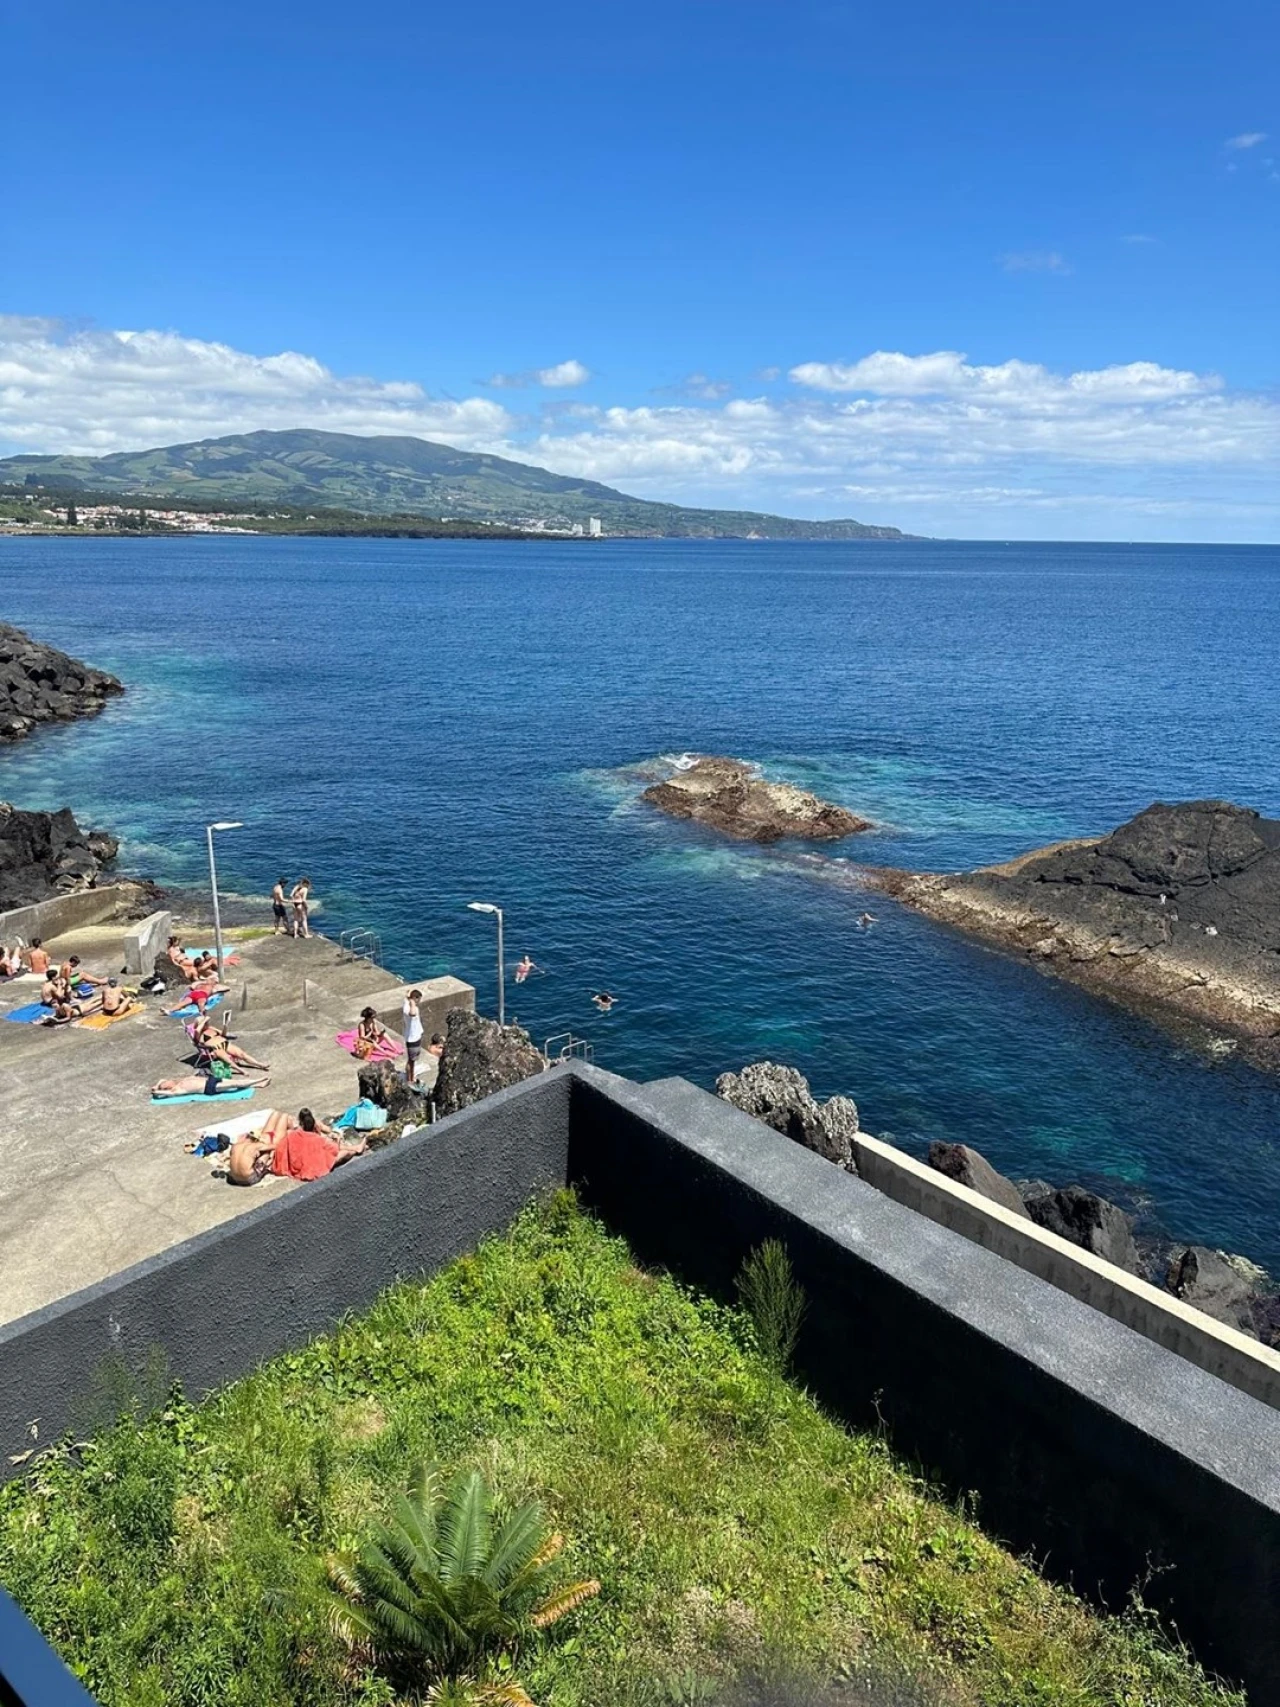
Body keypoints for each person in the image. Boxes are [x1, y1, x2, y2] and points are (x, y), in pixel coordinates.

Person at [227, 1107, 367, 1185]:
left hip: (238, 1175)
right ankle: (356, 1149)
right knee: (278, 1121)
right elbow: (274, 1146)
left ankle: (355, 1149)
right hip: (250, 1175)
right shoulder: (254, 1147)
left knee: (273, 1124)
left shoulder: (238, 1146)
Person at [152, 1067, 269, 1098]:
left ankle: (257, 1084)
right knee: (234, 1084)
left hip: (210, 1079)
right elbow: (161, 1093)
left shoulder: (178, 1082)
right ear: (167, 1088)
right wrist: (158, 1090)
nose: (168, 1081)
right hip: (209, 1087)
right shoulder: (176, 1090)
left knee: (235, 1081)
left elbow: (161, 1080)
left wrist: (158, 1085)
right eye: (166, 1084)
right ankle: (259, 1080)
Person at [402, 988, 424, 1083]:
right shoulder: (410, 1008)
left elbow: (405, 998)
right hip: (413, 1038)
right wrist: (412, 1003)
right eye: (418, 999)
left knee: (412, 1060)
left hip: (413, 1036)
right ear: (415, 998)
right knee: (411, 1061)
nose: (419, 1001)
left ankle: (411, 1077)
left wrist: (409, 998)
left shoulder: (406, 1003)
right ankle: (410, 1079)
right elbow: (412, 1013)